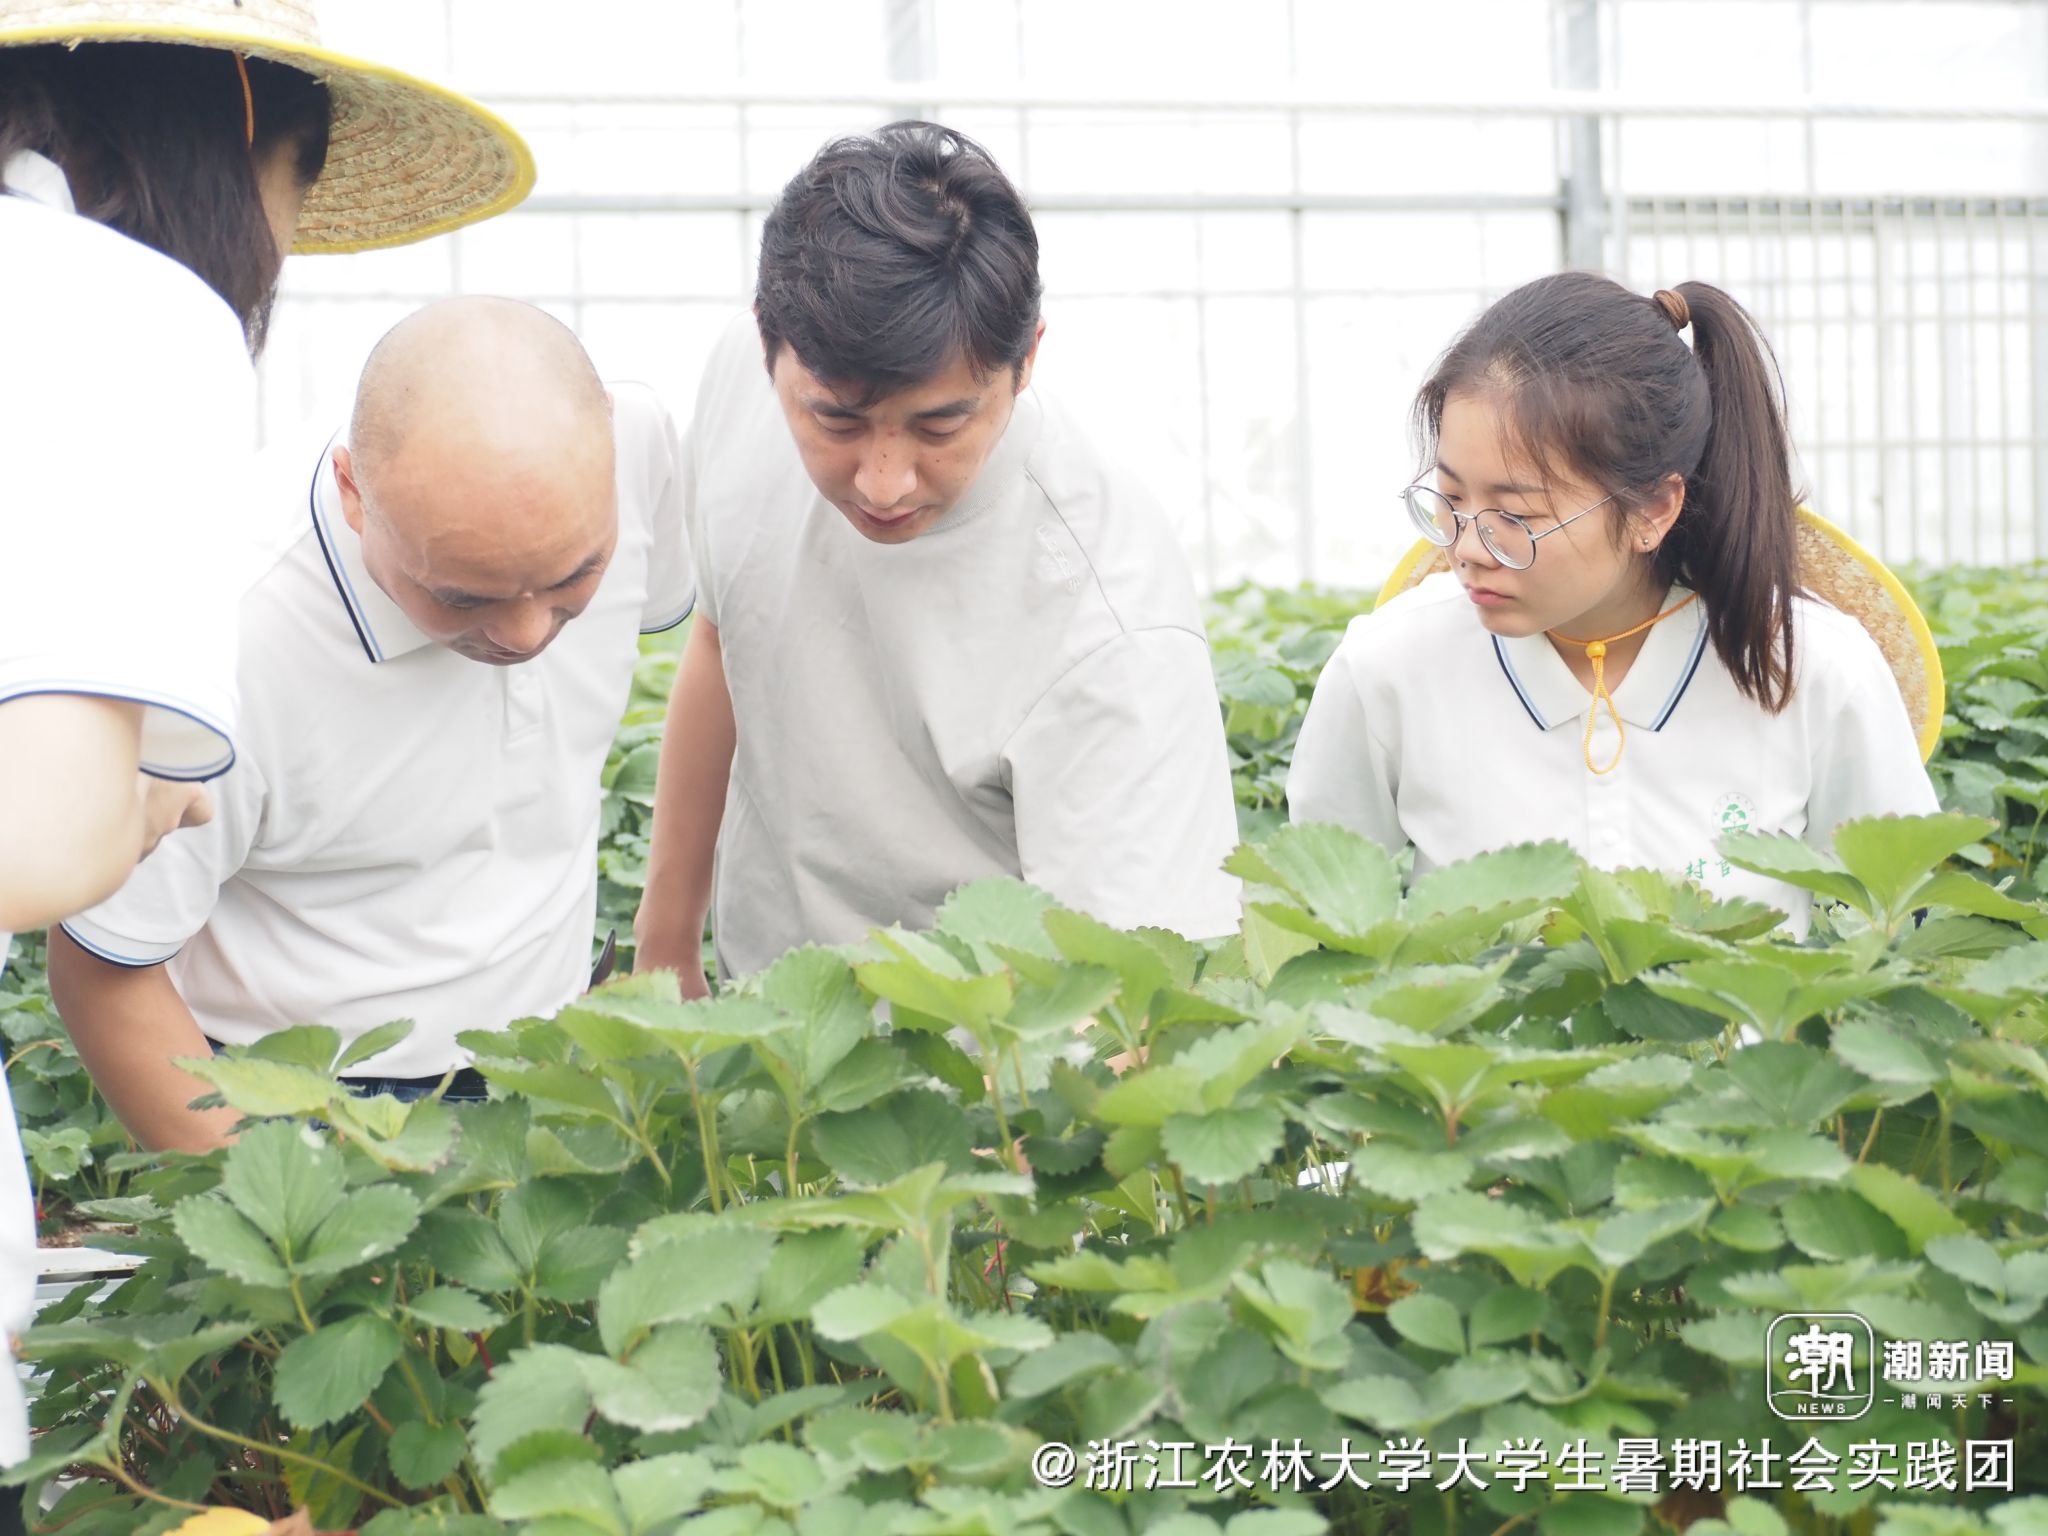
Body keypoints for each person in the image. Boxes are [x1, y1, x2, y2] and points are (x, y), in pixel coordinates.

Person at [0, 0, 530, 1496]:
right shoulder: (126, 310)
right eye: (300, 190)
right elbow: (38, 843)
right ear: (241, 110)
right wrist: (139, 810)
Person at [48, 297, 693, 1154]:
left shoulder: (639, 441)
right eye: (463, 596)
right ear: (354, 495)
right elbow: (100, 967)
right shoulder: (226, 641)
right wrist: (285, 1214)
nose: (528, 634)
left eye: (575, 576)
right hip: (304, 1108)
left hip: (552, 1059)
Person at [630, 121, 1242, 993]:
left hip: (986, 1069)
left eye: (940, 424)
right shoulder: (746, 379)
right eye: (836, 419)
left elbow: (1135, 997)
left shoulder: (1111, 618)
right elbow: (723, 645)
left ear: (1025, 361)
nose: (882, 482)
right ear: (768, 340)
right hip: (758, 1020)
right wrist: (664, 951)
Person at [1287, 272, 1939, 936]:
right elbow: (1311, 914)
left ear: (1653, 508)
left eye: (1515, 514)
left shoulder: (1810, 666)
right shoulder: (1389, 666)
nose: (1468, 548)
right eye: (1452, 500)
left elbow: (1901, 920)